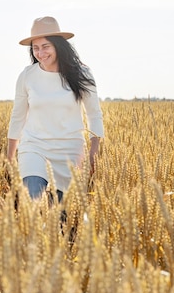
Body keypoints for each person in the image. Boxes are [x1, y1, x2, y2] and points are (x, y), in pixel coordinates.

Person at [7, 16, 104, 202]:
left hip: (70, 152)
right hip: (34, 148)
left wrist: (93, 153)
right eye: (35, 48)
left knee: (62, 218)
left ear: (58, 46)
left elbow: (94, 114)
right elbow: (17, 117)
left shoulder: (82, 74)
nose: (40, 53)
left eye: (45, 47)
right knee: (33, 204)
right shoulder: (27, 76)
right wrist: (10, 158)